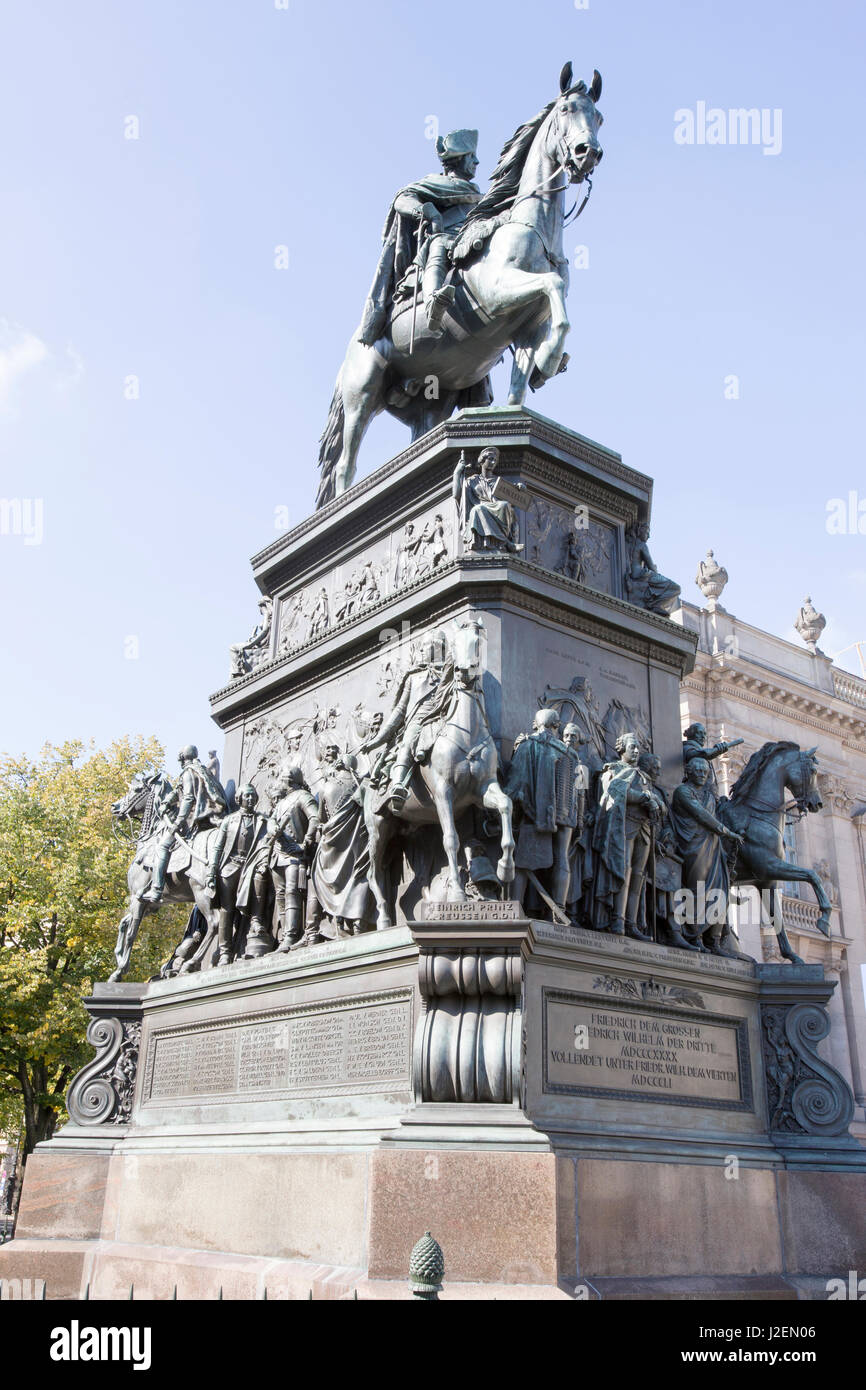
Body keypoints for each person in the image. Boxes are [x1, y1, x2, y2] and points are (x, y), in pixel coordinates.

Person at [359, 129, 482, 342]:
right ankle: (433, 300)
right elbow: (402, 199)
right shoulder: (435, 183)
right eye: (471, 156)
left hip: (470, 242)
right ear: (459, 159)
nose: (477, 161)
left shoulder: (477, 193)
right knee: (439, 242)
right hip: (441, 243)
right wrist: (428, 212)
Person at [361, 630, 453, 810]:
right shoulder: (414, 677)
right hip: (419, 721)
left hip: (445, 718)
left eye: (424, 647)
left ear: (437, 647)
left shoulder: (451, 672)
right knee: (409, 739)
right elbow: (400, 711)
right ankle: (398, 784)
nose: (421, 652)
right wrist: (378, 739)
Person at [591, 732, 664, 939]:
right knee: (624, 872)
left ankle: (632, 923)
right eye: (632, 747)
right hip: (623, 827)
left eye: (637, 748)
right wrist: (643, 797)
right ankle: (618, 922)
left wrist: (657, 804)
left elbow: (656, 799)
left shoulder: (643, 777)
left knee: (638, 878)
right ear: (621, 748)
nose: (636, 750)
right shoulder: (613, 770)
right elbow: (614, 793)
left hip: (645, 830)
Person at [504, 708, 576, 915]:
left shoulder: (528, 745)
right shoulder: (569, 752)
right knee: (562, 857)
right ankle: (559, 909)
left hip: (536, 813)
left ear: (535, 724)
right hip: (564, 815)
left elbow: (517, 783)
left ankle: (515, 908)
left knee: (523, 861)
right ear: (556, 726)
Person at [669, 758, 744, 957]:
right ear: (689, 772)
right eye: (698, 771)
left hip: (713, 847)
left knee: (721, 891)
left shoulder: (710, 795)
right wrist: (725, 831)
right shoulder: (683, 792)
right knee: (697, 890)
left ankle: (715, 940)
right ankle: (694, 935)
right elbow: (700, 814)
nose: (702, 774)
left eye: (705, 771)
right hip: (694, 846)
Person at [143, 745, 227, 904]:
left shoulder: (188, 772)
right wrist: (167, 801)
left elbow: (188, 798)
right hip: (210, 816)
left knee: (162, 846)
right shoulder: (201, 770)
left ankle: (156, 889)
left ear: (182, 758)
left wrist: (178, 822)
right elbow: (179, 790)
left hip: (192, 819)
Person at [305, 754, 372, 942]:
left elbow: (322, 819)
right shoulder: (361, 785)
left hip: (332, 844)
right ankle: (359, 923)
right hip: (358, 840)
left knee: (333, 881)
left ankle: (339, 922)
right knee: (358, 877)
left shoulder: (327, 787)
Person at [207, 784, 274, 964]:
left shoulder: (262, 820)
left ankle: (255, 923)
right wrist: (212, 871)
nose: (250, 799)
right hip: (229, 868)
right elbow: (218, 847)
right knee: (226, 910)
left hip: (250, 865)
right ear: (240, 798)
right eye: (247, 796)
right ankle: (225, 952)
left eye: (253, 796)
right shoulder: (229, 820)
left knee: (259, 883)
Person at [270, 766, 320, 952]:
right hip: (278, 855)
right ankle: (285, 936)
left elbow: (315, 817)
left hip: (295, 854)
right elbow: (271, 820)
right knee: (281, 895)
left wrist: (307, 840)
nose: (280, 783)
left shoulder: (303, 796)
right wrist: (271, 827)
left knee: (292, 892)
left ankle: (292, 935)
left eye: (282, 779)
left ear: (289, 780)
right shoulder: (282, 801)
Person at [452, 447, 525, 553]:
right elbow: (456, 495)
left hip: (497, 508)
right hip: (481, 508)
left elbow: (512, 493)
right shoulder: (472, 481)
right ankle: (507, 543)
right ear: (482, 460)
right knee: (478, 509)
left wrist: (519, 487)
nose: (493, 462)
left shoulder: (498, 481)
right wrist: (457, 473)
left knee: (504, 505)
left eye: (495, 460)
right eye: (490, 459)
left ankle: (506, 542)